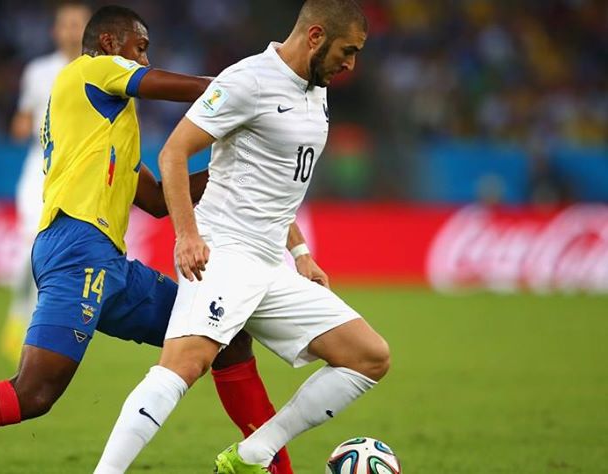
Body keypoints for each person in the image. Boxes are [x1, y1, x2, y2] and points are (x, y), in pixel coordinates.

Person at [0, 6, 293, 474]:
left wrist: (233, 171)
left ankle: (275, 468)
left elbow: (158, 201)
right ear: (110, 43)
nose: (144, 60)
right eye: (140, 48)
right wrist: (254, 89)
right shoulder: (90, 69)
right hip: (77, 247)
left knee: (226, 338)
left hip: (109, 264)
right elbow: (177, 86)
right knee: (34, 392)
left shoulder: (107, 127)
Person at [93, 1, 391, 473]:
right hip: (225, 251)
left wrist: (301, 252)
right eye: (347, 51)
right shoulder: (247, 80)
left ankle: (254, 452)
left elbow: (277, 184)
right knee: (183, 366)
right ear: (316, 36)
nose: (351, 65)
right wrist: (187, 235)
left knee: (369, 356)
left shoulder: (316, 89)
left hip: (271, 262)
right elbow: (173, 154)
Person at [1, 2, 91, 365]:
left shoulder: (102, 71)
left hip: (82, 171)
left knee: (64, 251)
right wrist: (24, 125)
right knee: (31, 245)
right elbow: (22, 120)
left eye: (78, 24)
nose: (71, 31)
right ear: (55, 31)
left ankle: (46, 327)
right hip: (41, 166)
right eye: (66, 24)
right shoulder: (38, 71)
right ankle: (19, 312)